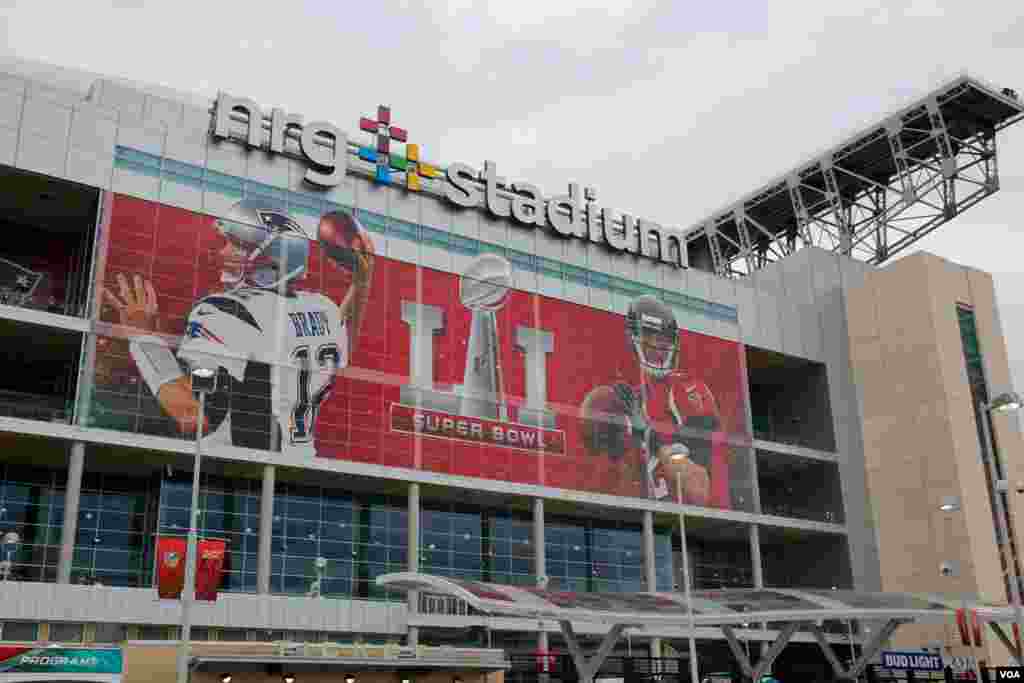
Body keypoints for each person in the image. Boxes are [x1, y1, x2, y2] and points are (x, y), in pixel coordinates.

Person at [102, 200, 374, 456]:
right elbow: (343, 338)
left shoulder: (224, 311)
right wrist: (362, 281)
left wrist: (143, 338)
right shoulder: (322, 308)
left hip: (234, 475)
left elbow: (194, 415)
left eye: (235, 246)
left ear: (268, 259)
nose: (222, 252)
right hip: (300, 466)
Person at [579, 295, 730, 507]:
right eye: (650, 334)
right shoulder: (627, 399)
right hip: (648, 521)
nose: (658, 344)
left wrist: (649, 436)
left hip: (698, 525)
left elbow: (700, 491)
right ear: (633, 338)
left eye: (665, 337)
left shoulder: (687, 390)